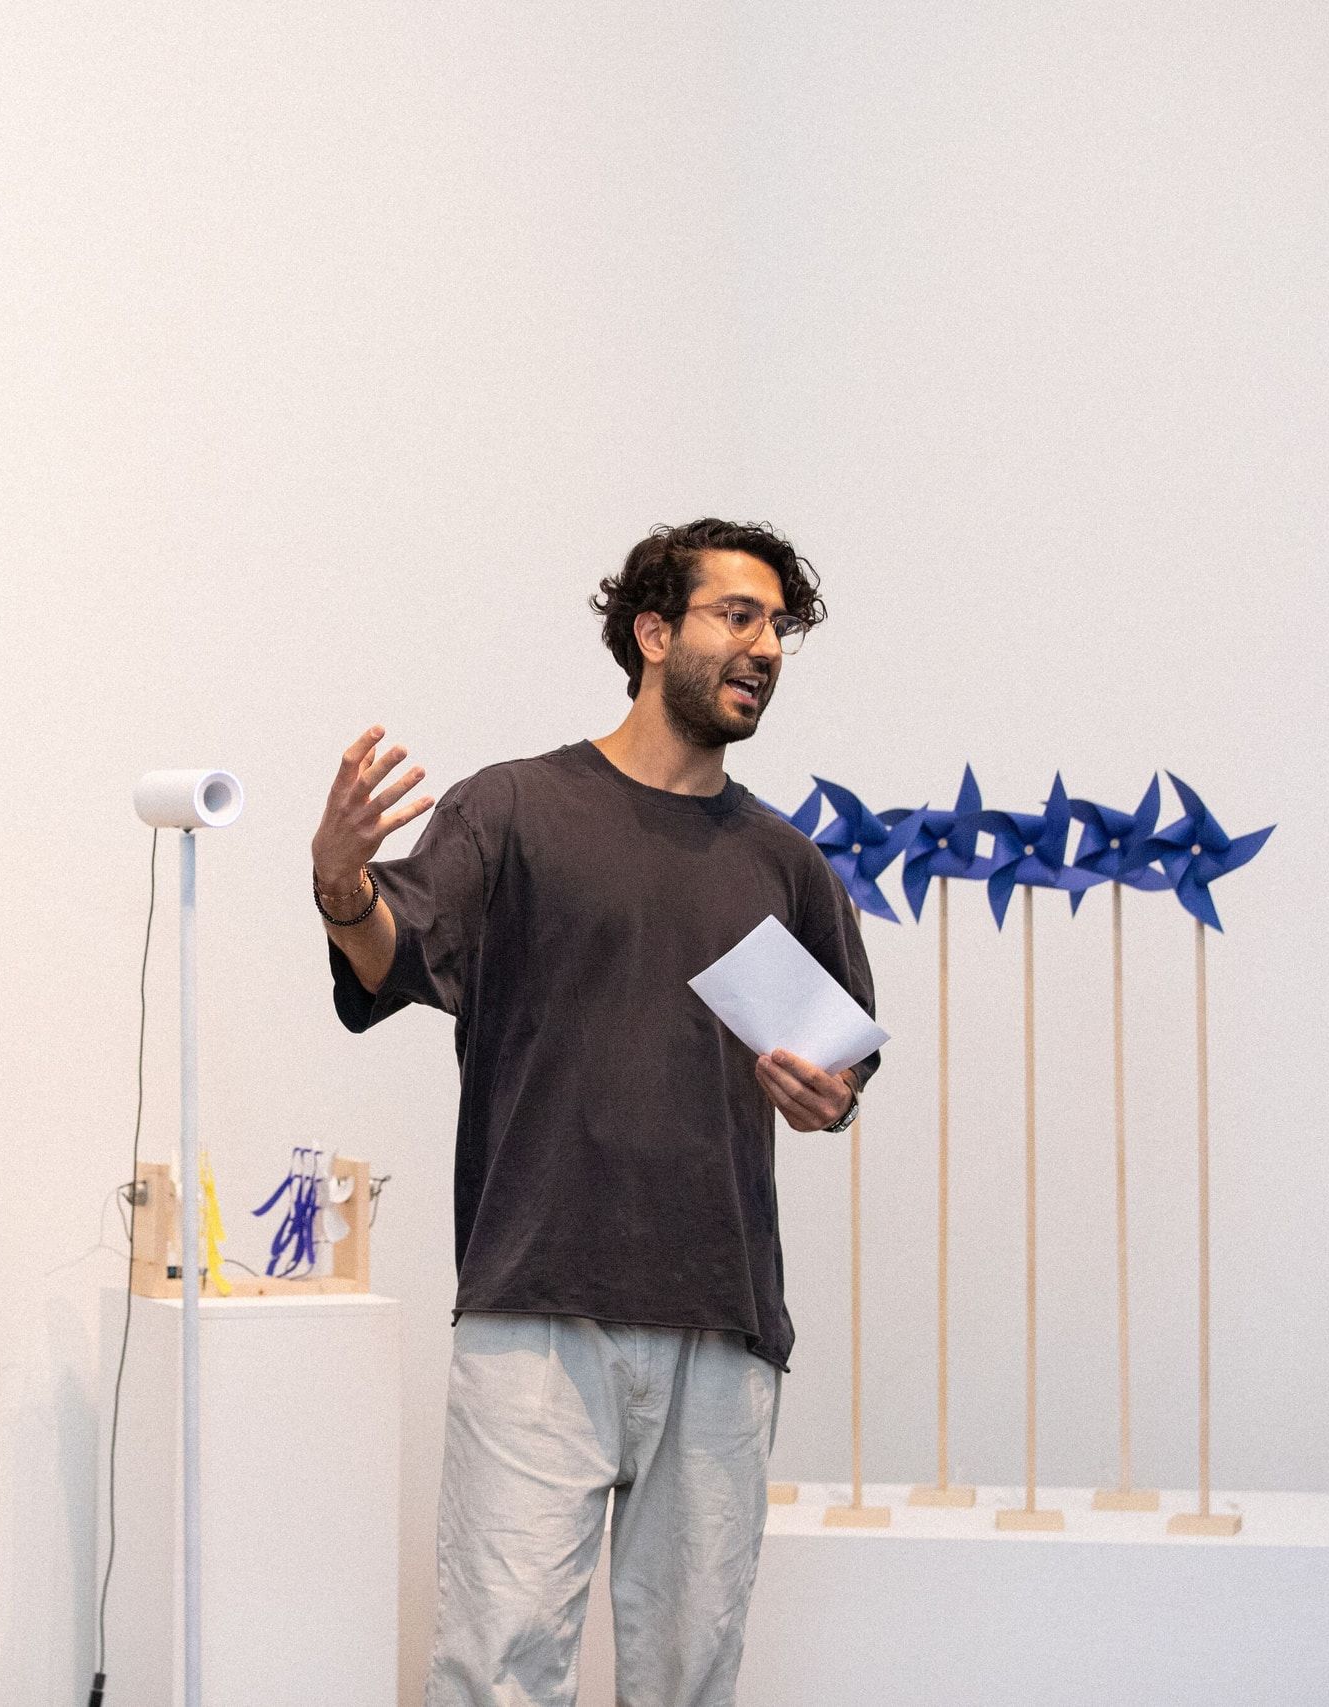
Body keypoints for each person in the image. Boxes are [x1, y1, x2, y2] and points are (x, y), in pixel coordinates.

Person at [312, 518, 876, 1707]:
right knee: (498, 1671)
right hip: (536, 1315)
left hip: (721, 1325)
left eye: (779, 626)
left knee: (687, 1678)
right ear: (652, 631)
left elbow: (837, 1078)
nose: (765, 645)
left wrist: (826, 1101)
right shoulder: (512, 811)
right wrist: (340, 887)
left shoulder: (787, 866)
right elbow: (390, 957)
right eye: (738, 615)